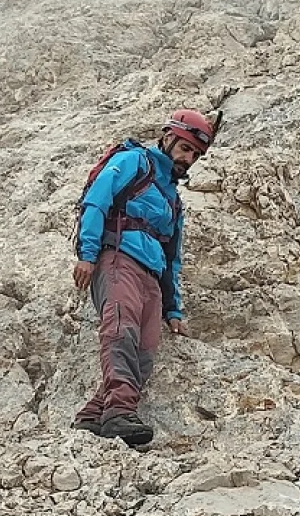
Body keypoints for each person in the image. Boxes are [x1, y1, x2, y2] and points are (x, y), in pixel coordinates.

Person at [70, 109, 214, 448]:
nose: (187, 158)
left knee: (145, 352)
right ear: (167, 138)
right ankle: (120, 411)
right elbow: (96, 200)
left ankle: (93, 416)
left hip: (152, 278)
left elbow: (173, 257)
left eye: (194, 154)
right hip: (118, 258)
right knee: (120, 330)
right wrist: (87, 255)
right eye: (184, 148)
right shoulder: (135, 161)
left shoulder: (173, 200)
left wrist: (172, 309)